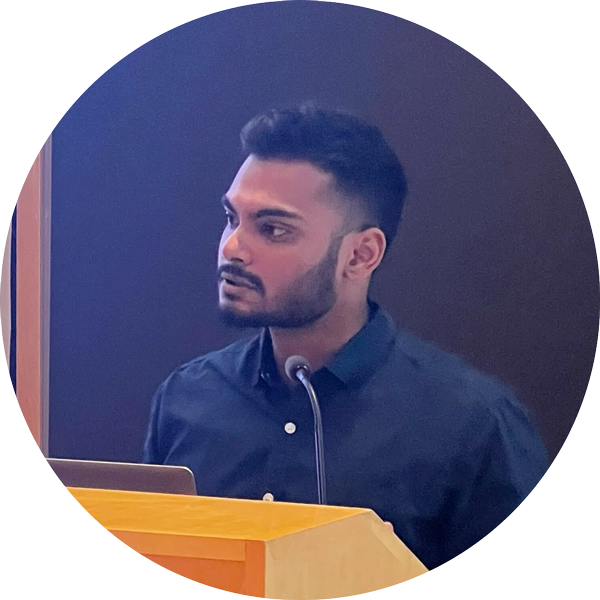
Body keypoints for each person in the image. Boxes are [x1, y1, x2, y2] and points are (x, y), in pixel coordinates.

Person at [142, 104, 548, 570]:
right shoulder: (187, 398)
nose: (232, 247)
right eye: (232, 218)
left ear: (360, 255)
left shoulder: (474, 425)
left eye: (273, 229)